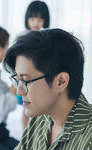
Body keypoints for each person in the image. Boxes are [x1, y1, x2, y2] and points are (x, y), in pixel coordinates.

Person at [20, 1, 51, 129]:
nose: (36, 23)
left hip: (40, 78)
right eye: (32, 19)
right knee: (26, 109)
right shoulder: (22, 38)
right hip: (25, 79)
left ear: (45, 20)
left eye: (40, 19)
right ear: (27, 20)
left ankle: (39, 134)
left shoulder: (47, 38)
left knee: (42, 108)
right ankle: (25, 136)